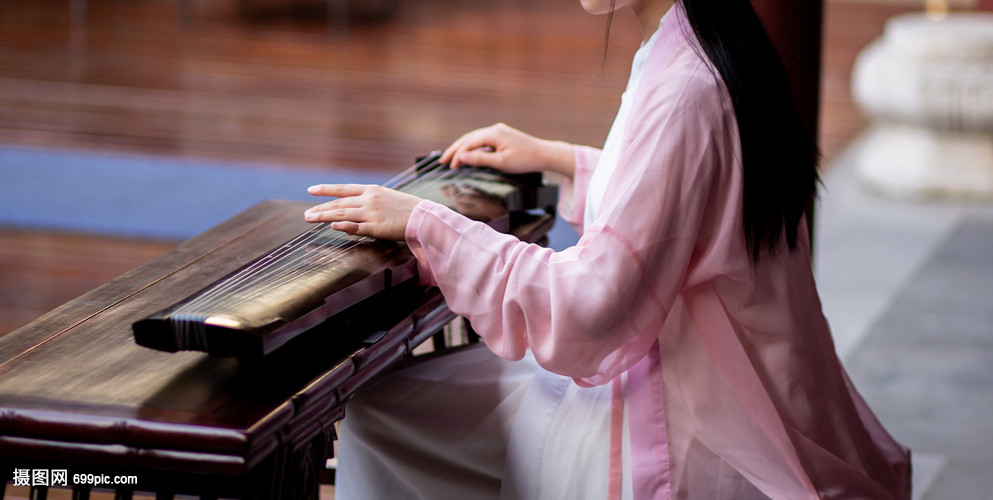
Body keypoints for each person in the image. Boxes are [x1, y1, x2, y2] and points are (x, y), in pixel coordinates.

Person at [303, 0, 913, 498]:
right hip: (697, 378)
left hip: (682, 423)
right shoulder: (709, 37)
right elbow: (677, 209)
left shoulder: (684, 89)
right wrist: (560, 159)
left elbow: (595, 306)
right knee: (388, 414)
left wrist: (428, 225)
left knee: (383, 418)